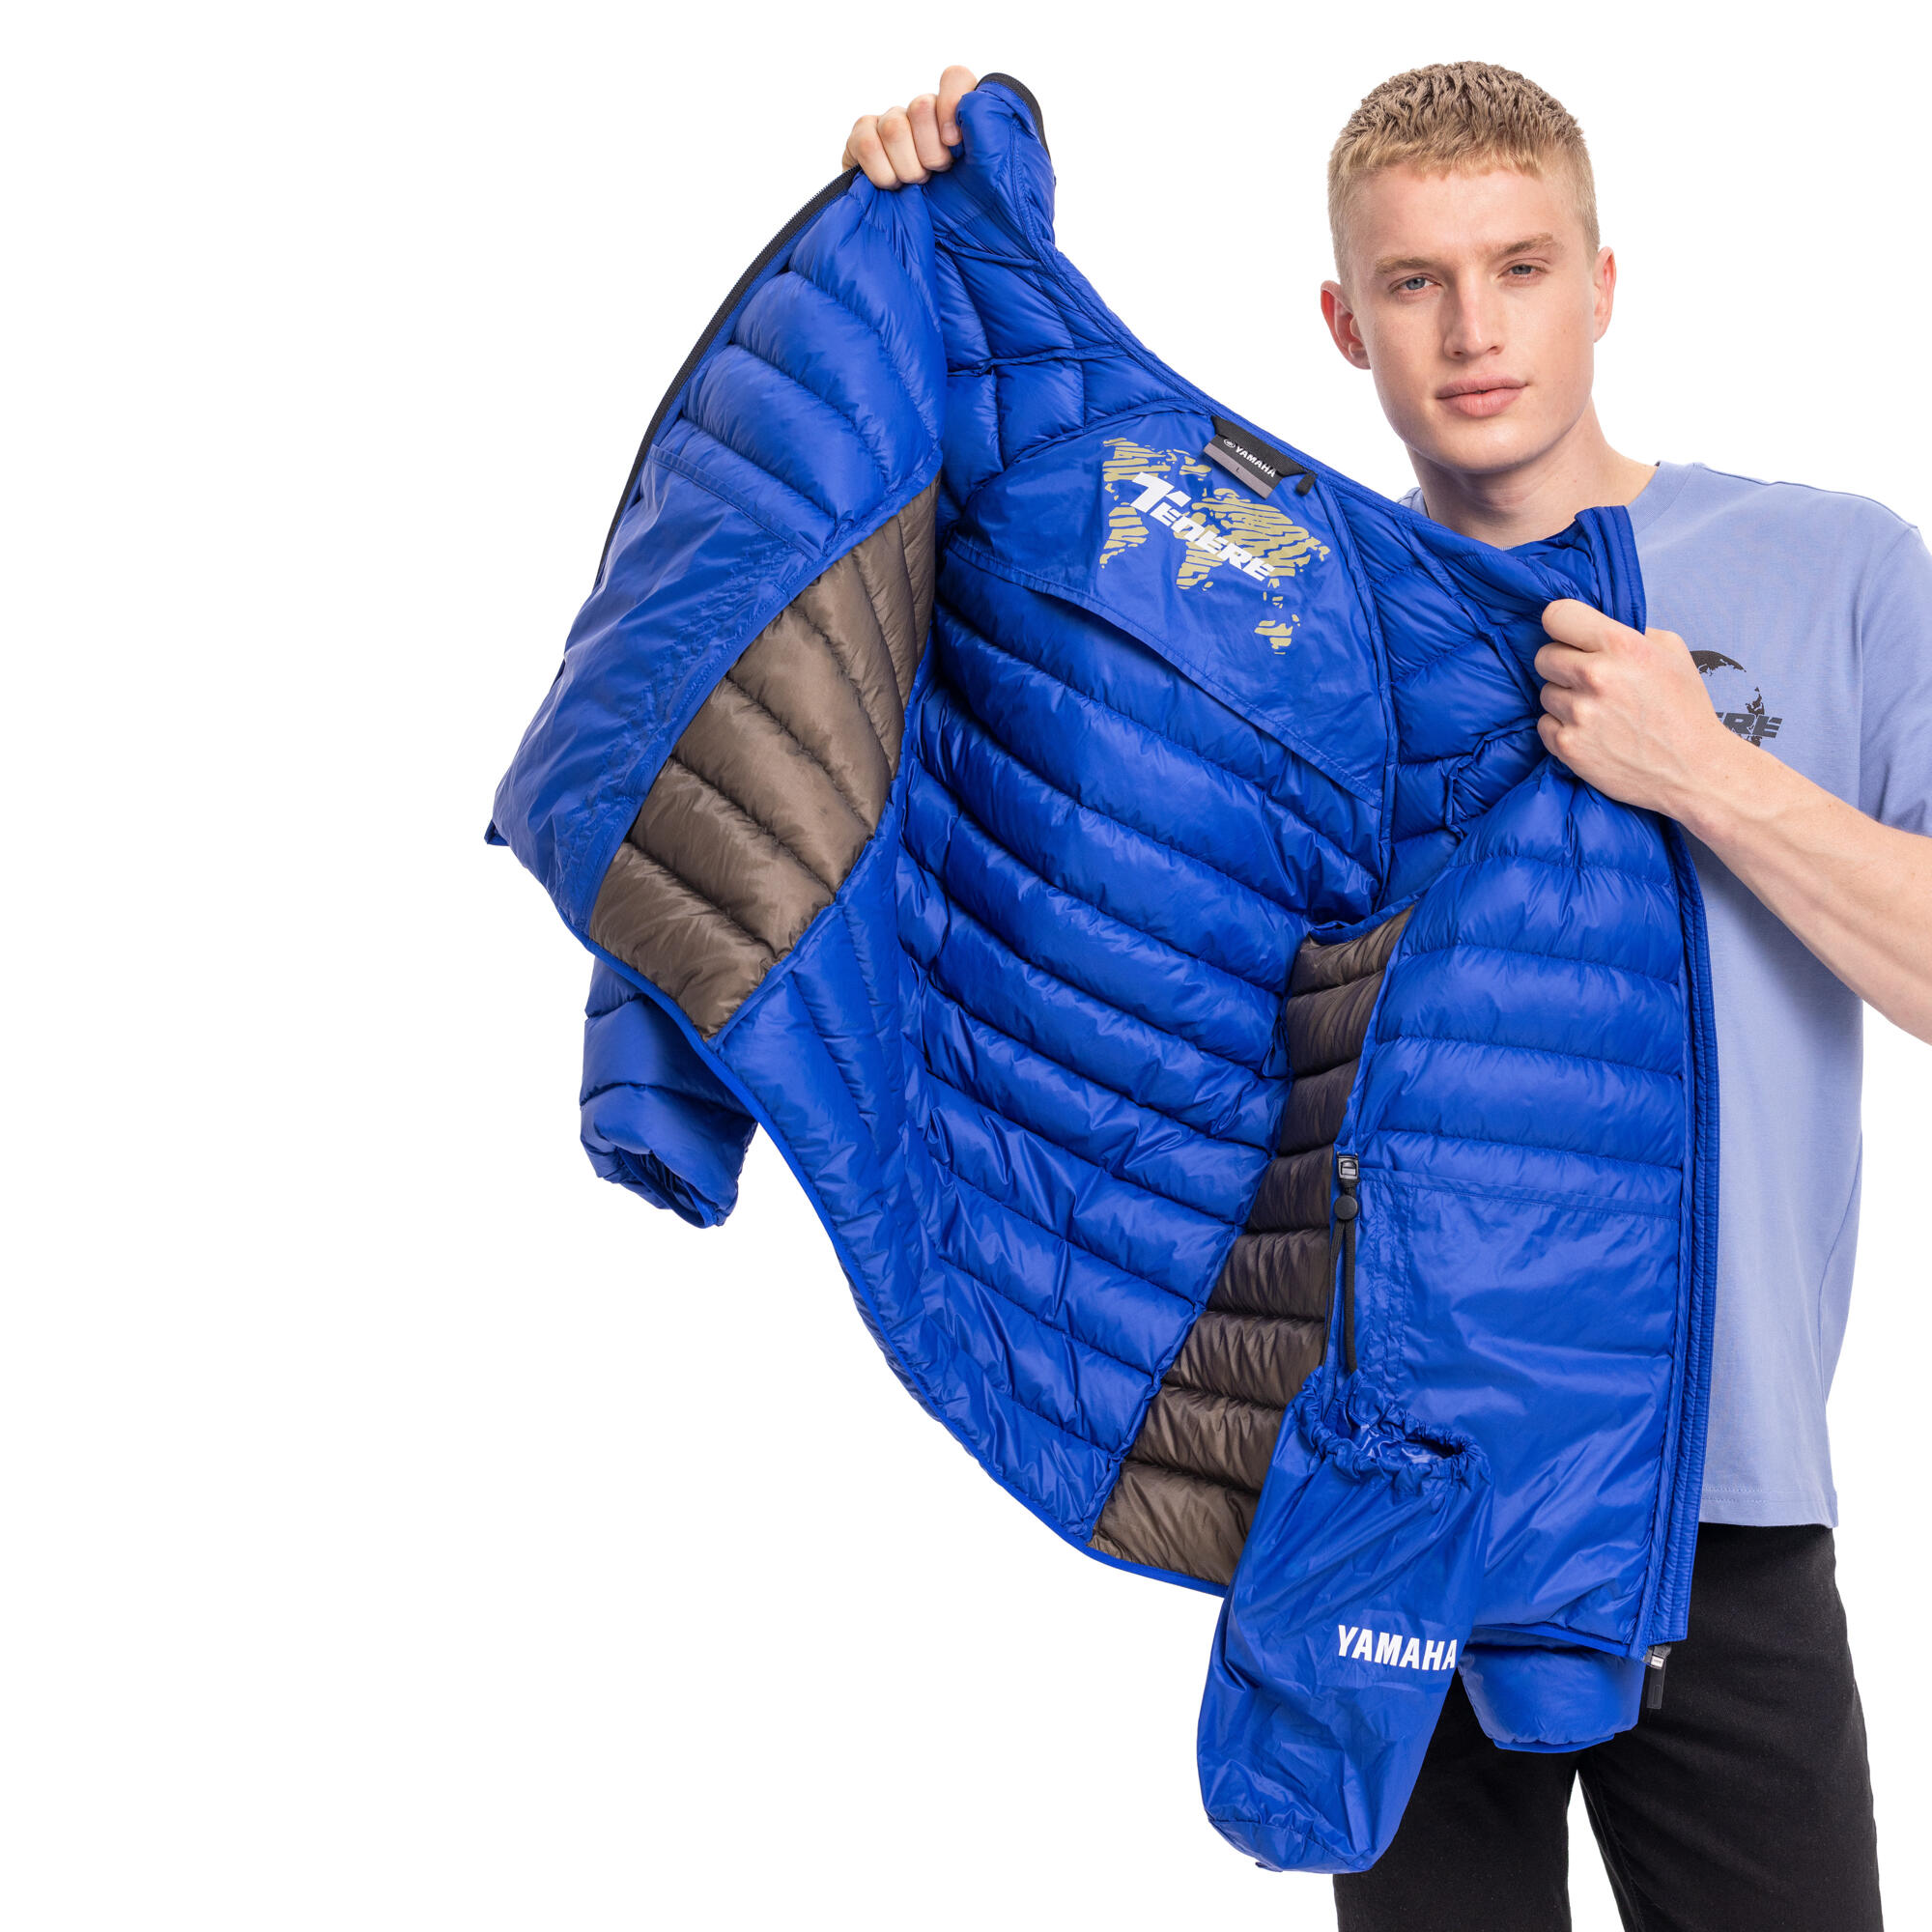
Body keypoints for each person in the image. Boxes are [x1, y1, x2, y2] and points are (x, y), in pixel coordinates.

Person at [842, 60, 1932, 1931]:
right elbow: (1036, 706)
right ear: (1345, 322)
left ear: (1604, 283)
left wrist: (1703, 770)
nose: (1473, 328)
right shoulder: (1285, 615)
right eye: (1415, 281)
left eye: (1520, 267)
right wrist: (938, 241)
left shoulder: (1832, 570)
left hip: (1727, 1512)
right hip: (1388, 1496)